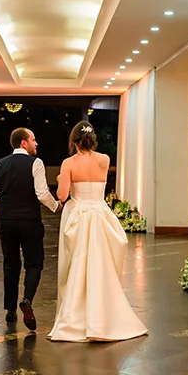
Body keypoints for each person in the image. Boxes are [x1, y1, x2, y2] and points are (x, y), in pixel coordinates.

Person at [48, 122, 148, 342]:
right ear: (93, 140)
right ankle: (103, 317)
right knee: (100, 266)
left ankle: (76, 319)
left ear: (73, 141)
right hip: (101, 214)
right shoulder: (104, 159)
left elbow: (63, 195)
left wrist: (59, 180)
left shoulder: (69, 163)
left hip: (78, 216)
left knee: (75, 266)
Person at [0, 127, 59, 330]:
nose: (37, 144)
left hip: (6, 220)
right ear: (23, 143)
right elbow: (42, 193)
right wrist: (56, 206)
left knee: (10, 263)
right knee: (34, 262)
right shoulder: (36, 163)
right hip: (29, 220)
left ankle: (10, 310)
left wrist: (7, 199)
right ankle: (27, 299)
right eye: (33, 140)